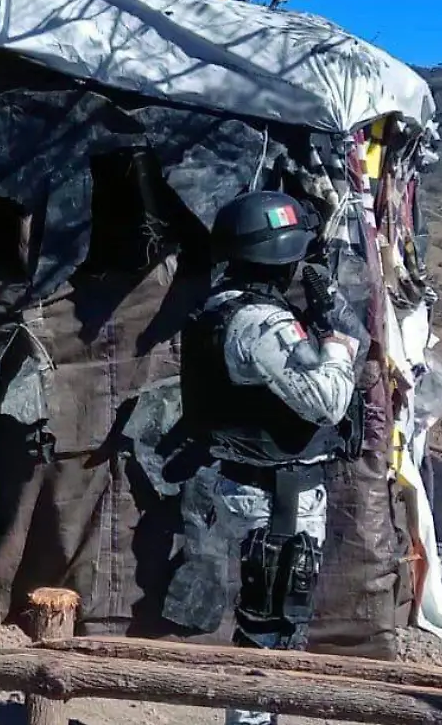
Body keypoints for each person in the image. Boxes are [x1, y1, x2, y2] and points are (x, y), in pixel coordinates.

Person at [180, 190, 359, 725]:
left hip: (257, 486)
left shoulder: (224, 307)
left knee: (273, 622)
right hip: (275, 498)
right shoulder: (259, 323)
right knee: (273, 627)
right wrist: (337, 345)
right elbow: (327, 400)